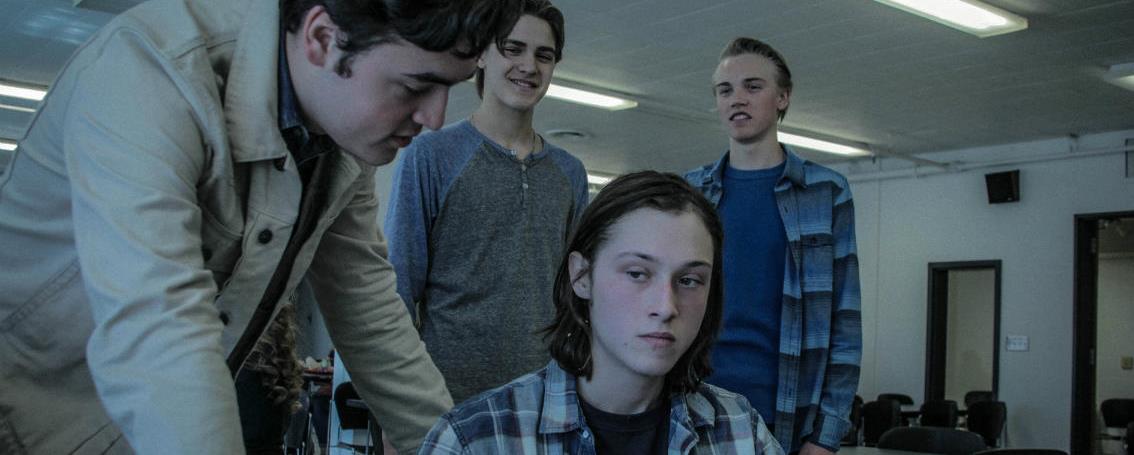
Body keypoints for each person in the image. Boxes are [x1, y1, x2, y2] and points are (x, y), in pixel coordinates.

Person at [0, 0, 521, 453]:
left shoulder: (341, 141)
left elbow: (369, 311)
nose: (435, 118)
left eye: (449, 89)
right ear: (323, 38)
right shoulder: (151, 71)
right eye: (416, 86)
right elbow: (159, 328)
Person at [419, 171, 785, 454]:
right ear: (581, 276)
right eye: (637, 273)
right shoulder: (476, 440)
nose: (665, 306)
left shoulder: (740, 431)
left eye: (689, 280)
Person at [384, 0, 588, 403]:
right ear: (480, 54)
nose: (529, 66)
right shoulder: (431, 156)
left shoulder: (570, 173)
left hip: (543, 402)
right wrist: (398, 404)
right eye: (513, 49)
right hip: (446, 401)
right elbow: (399, 287)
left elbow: (577, 298)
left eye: (543, 55)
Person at [684, 37, 862, 454]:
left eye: (753, 86)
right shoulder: (689, 193)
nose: (737, 99)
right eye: (725, 90)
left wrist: (825, 436)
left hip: (787, 416)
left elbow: (845, 324)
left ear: (783, 97)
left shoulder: (826, 191)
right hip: (692, 407)